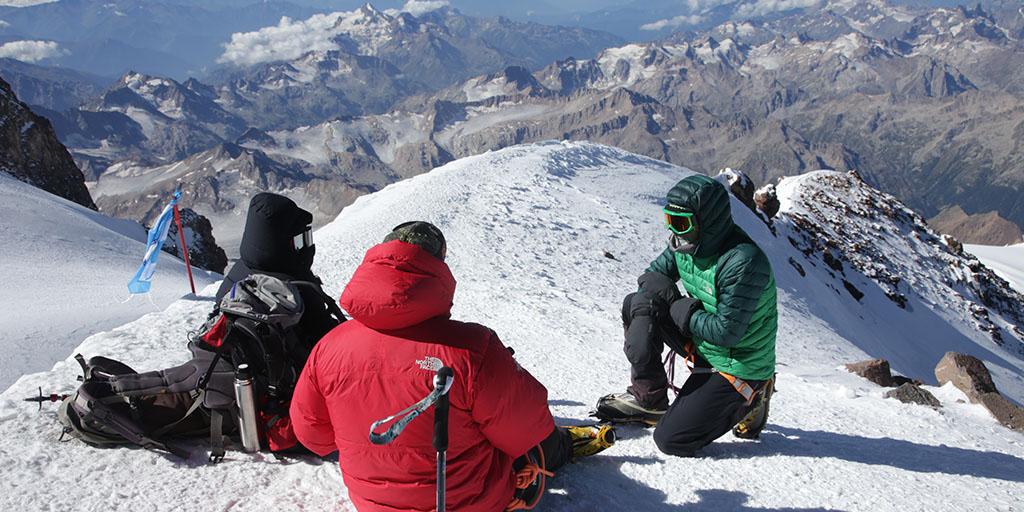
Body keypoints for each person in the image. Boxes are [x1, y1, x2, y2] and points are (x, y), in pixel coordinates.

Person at [290, 221, 612, 512]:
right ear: (436, 270)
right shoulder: (471, 348)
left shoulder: (329, 347)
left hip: (372, 505)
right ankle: (567, 446)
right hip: (467, 503)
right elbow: (531, 424)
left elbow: (313, 436)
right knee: (531, 444)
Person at [594, 174, 777, 456]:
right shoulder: (685, 245)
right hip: (704, 341)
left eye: (681, 223)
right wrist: (667, 300)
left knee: (672, 440)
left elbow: (729, 332)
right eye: (670, 221)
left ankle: (753, 395)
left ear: (707, 221)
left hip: (738, 362)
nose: (675, 231)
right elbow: (654, 276)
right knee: (638, 303)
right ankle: (649, 398)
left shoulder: (742, 261)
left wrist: (685, 312)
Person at [217, 192, 343, 350]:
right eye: (299, 240)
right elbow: (325, 333)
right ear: (281, 242)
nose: (304, 246)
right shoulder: (298, 284)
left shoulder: (239, 270)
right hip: (296, 369)